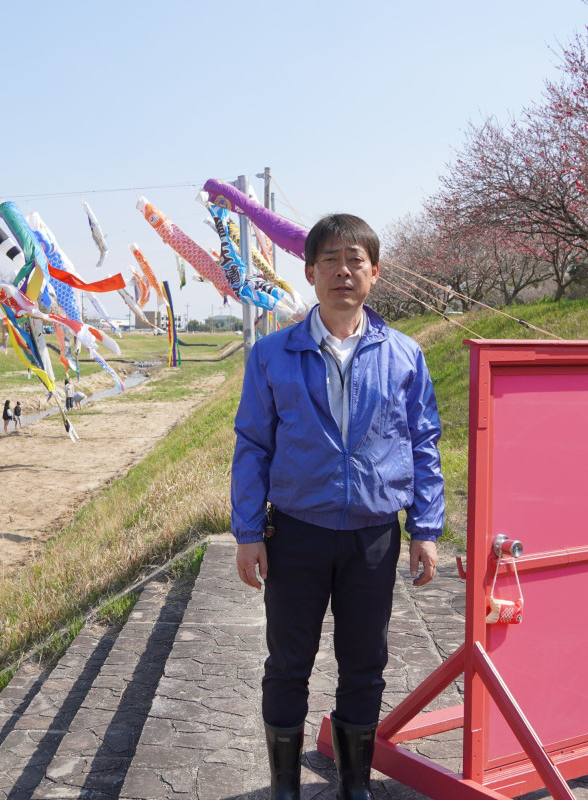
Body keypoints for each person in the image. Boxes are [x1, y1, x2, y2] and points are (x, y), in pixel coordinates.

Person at [231, 214, 443, 800]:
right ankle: (285, 788)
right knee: (287, 663)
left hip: (373, 536)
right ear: (310, 272)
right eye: (330, 260)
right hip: (296, 534)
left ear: (374, 274)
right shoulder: (272, 355)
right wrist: (248, 532)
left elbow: (423, 443)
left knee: (365, 664)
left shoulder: (404, 354)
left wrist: (425, 528)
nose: (343, 271)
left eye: (355, 261)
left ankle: (355, 786)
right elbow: (252, 445)